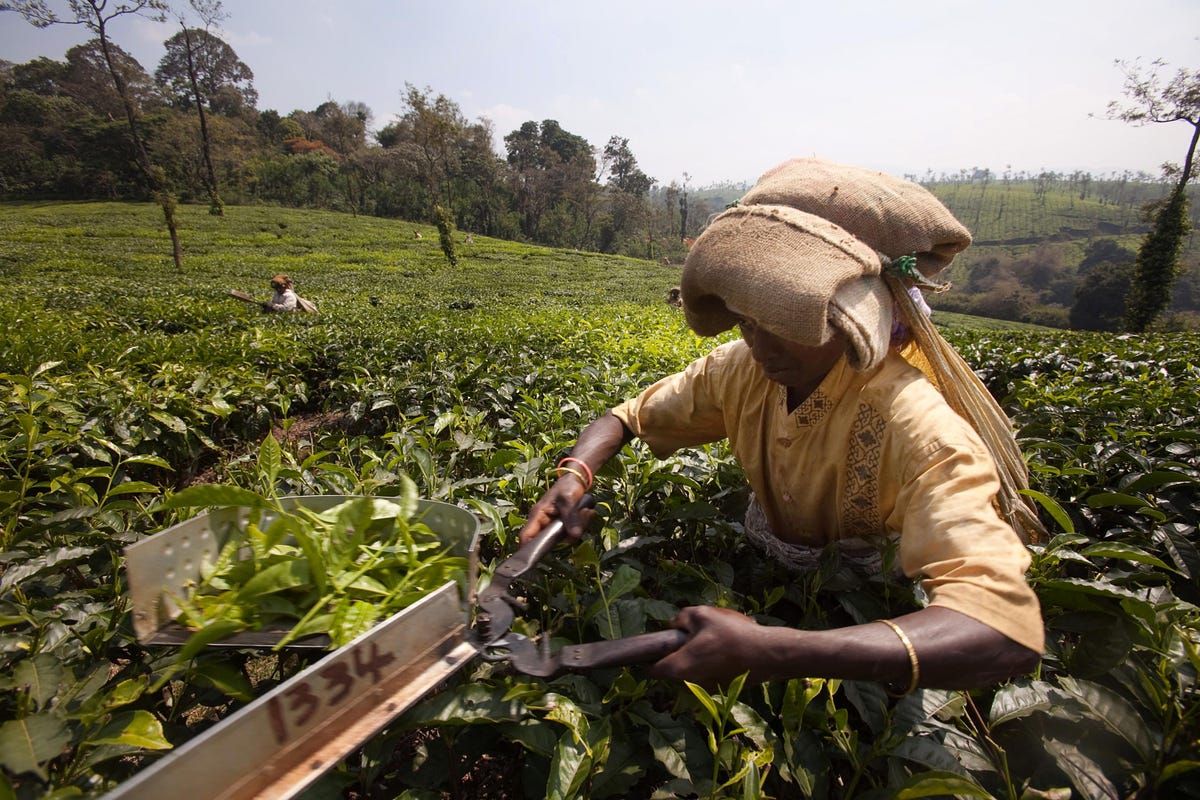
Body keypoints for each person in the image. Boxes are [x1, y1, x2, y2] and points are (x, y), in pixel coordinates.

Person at [519, 158, 1045, 693]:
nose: (761, 346)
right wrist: (574, 475)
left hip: (869, 626)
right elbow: (626, 418)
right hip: (764, 571)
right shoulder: (738, 370)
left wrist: (774, 650)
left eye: (783, 326)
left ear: (845, 320)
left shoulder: (920, 429)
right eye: (747, 321)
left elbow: (1002, 631)